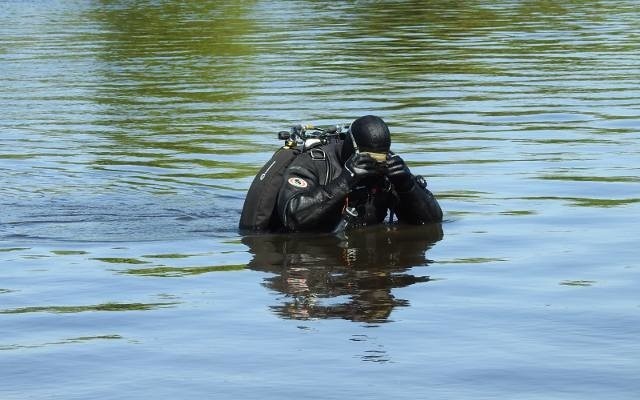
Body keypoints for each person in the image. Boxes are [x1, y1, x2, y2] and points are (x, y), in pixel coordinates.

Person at [276, 115, 443, 232]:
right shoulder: (314, 163)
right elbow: (293, 217)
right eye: (368, 157)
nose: (375, 164)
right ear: (351, 146)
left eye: (381, 157)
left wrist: (408, 186)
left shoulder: (386, 170)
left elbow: (432, 222)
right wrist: (345, 181)